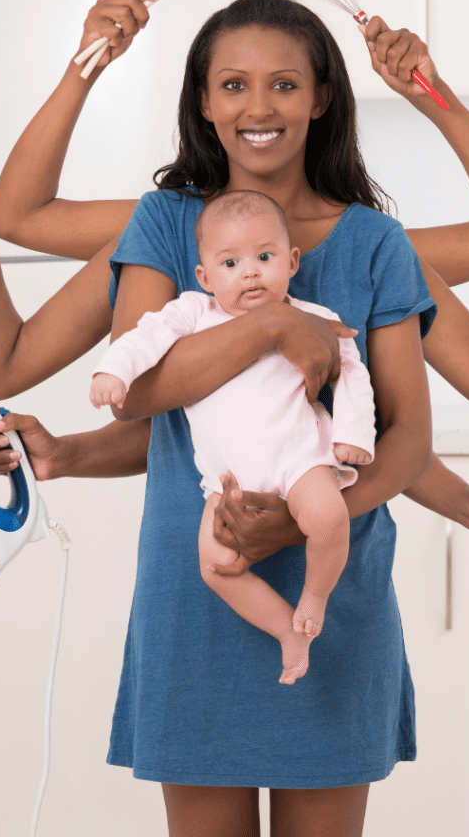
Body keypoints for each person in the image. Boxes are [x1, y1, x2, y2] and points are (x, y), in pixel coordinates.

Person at [0, 0, 469, 837]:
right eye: (233, 84)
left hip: (335, 603)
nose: (258, 105)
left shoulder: (373, 242)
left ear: (322, 99)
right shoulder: (168, 228)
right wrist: (274, 320)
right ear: (203, 102)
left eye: (284, 83)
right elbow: (153, 391)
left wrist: (442, 104)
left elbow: (433, 411)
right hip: (193, 601)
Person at [91, 189, 377, 684]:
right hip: (226, 481)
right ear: (204, 277)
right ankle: (287, 631)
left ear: (291, 262)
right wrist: (112, 371)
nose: (249, 272)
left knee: (329, 518)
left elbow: (352, 371)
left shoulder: (316, 319)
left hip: (300, 459)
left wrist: (353, 435)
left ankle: (314, 598)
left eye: (264, 258)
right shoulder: (193, 313)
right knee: (217, 565)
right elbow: (145, 335)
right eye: (230, 263)